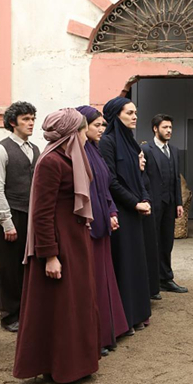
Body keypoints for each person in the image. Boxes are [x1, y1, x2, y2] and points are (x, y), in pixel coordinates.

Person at [13, 108, 101, 383]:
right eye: (82, 129)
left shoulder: (69, 158)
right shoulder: (51, 162)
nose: (86, 134)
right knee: (61, 308)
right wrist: (50, 255)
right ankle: (62, 367)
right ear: (71, 133)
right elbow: (41, 213)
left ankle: (78, 364)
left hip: (75, 243)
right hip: (59, 247)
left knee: (76, 304)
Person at [77, 105, 129, 356]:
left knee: (104, 278)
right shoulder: (78, 153)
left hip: (102, 222)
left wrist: (112, 212)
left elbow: (104, 186)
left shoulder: (94, 150)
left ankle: (108, 331)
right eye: (96, 125)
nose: (101, 129)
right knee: (93, 280)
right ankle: (96, 335)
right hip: (88, 226)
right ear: (82, 125)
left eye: (102, 125)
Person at [99, 97, 153, 332]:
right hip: (121, 211)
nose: (134, 117)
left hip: (136, 211)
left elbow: (139, 176)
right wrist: (134, 203)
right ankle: (123, 319)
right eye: (129, 112)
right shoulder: (107, 143)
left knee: (137, 263)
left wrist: (145, 198)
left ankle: (138, 314)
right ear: (116, 115)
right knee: (123, 264)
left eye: (135, 112)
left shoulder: (132, 143)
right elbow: (111, 180)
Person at [0, 101, 40, 333]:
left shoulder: (35, 149)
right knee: (9, 268)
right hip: (11, 216)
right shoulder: (1, 149)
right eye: (25, 120)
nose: (30, 124)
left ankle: (28, 312)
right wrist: (7, 223)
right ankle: (9, 316)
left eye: (32, 119)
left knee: (28, 264)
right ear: (12, 122)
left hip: (31, 215)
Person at [141, 114, 188, 293]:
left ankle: (166, 279)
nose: (169, 131)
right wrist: (145, 200)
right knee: (152, 243)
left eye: (170, 128)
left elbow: (176, 178)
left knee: (167, 242)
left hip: (169, 204)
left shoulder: (174, 150)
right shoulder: (146, 149)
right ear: (155, 129)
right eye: (165, 127)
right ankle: (151, 282)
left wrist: (178, 203)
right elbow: (142, 178)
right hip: (152, 204)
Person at [139, 149, 162, 300]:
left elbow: (146, 189)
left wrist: (147, 200)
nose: (144, 160)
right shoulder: (133, 175)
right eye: (140, 157)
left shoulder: (143, 174)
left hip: (147, 211)